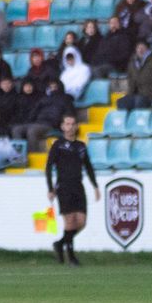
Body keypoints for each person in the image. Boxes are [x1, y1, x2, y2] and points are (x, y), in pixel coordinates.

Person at [44, 113, 100, 266]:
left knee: (81, 222)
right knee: (69, 222)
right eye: (67, 124)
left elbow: (88, 167)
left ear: (76, 126)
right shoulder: (58, 145)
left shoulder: (81, 146)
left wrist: (95, 186)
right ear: (62, 127)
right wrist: (50, 188)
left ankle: (60, 243)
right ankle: (71, 256)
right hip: (64, 186)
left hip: (78, 187)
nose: (70, 127)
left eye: (72, 124)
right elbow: (48, 167)